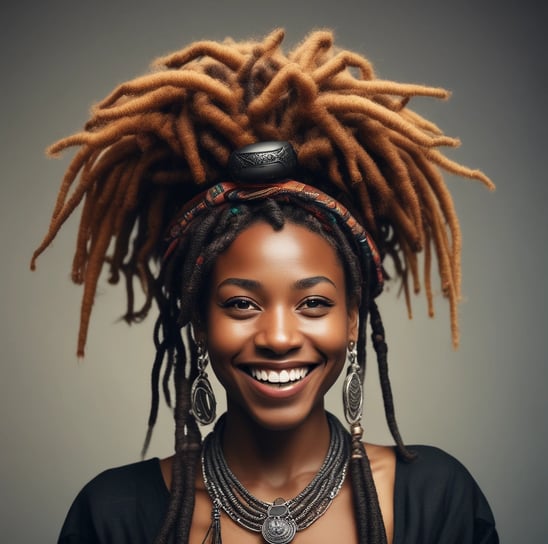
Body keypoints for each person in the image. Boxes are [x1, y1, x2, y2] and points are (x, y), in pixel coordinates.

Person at [32, 29, 498, 543]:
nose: (278, 337)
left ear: (352, 320)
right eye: (241, 304)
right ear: (200, 324)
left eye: (314, 302)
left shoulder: (438, 500)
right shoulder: (112, 516)